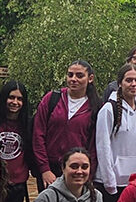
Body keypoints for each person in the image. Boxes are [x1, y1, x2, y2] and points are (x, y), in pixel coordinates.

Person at [32, 60, 101, 189]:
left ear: (90, 78)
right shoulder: (52, 99)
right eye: (70, 75)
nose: (73, 79)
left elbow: (94, 145)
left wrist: (88, 175)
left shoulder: (95, 107)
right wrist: (44, 169)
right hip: (50, 170)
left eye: (79, 75)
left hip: (77, 170)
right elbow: (38, 135)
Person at [95, 64, 136, 202]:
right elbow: (103, 147)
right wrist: (109, 183)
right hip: (111, 184)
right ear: (120, 84)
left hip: (132, 183)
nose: (133, 84)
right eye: (128, 80)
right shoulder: (109, 110)